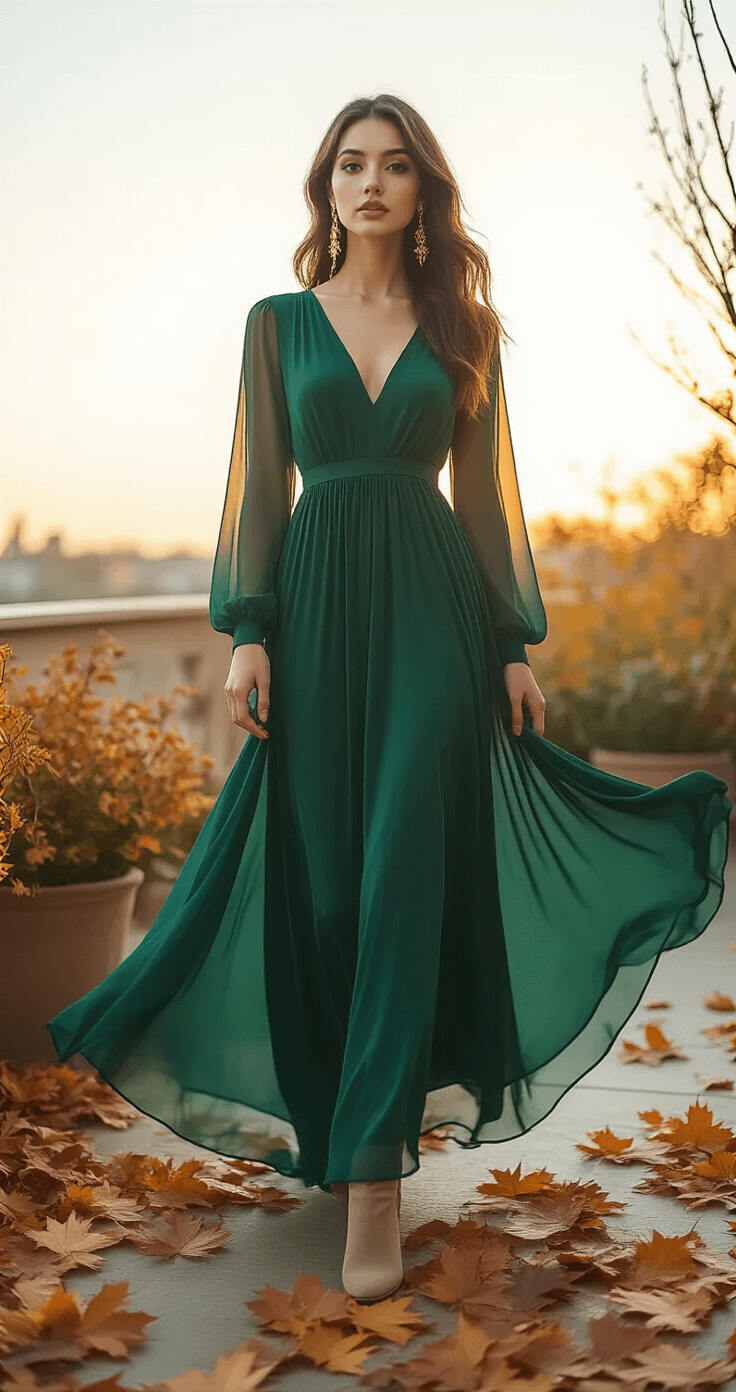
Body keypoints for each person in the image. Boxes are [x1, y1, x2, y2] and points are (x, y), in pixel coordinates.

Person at [47, 94, 732, 1307]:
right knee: (323, 888)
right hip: (311, 612)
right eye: (350, 165)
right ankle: (336, 1119)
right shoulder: (276, 326)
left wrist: (511, 646)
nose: (369, 183)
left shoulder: (464, 328)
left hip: (430, 620)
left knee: (404, 867)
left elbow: (486, 505)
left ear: (423, 193)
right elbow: (259, 482)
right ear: (327, 188)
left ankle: (372, 1178)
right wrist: (247, 632)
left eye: (394, 166)